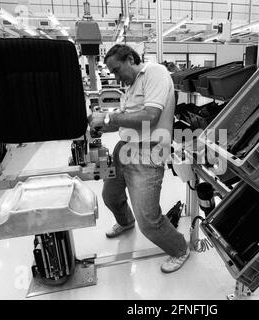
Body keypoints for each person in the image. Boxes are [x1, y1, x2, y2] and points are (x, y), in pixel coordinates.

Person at [88, 45, 190, 273]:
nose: (116, 76)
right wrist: (100, 127)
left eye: (116, 70)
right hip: (124, 148)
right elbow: (127, 121)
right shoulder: (132, 85)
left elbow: (150, 117)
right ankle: (126, 222)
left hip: (148, 153)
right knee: (110, 196)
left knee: (148, 219)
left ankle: (180, 248)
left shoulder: (155, 73)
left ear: (131, 59)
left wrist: (106, 118)